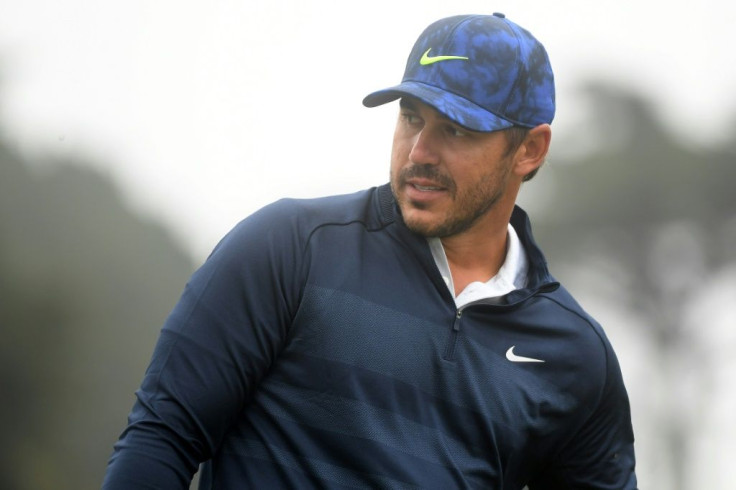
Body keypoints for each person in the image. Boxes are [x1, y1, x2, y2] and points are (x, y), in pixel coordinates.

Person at [103, 13, 637, 489]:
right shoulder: (290, 248)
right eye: (411, 117)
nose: (420, 152)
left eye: (454, 129)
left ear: (529, 149)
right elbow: (158, 443)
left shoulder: (575, 354)